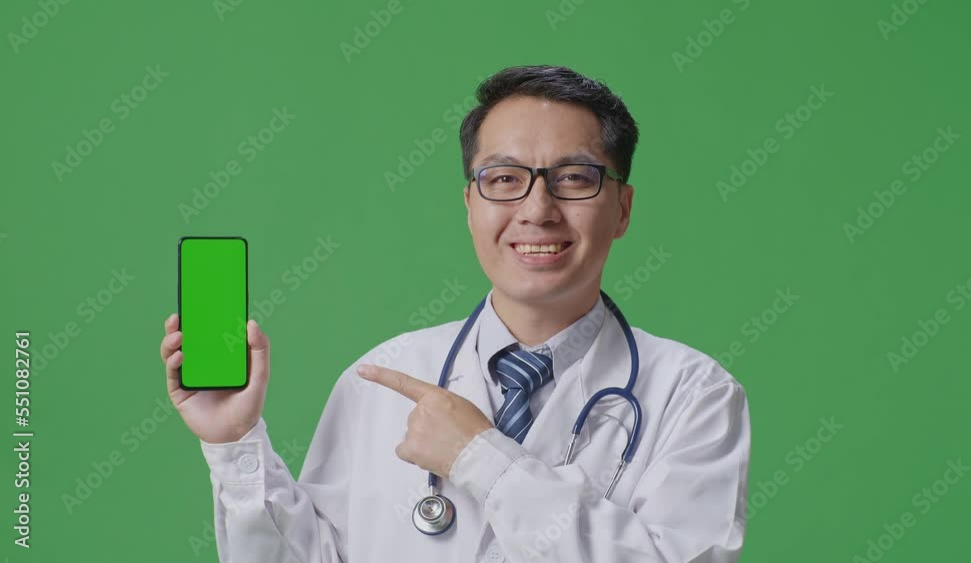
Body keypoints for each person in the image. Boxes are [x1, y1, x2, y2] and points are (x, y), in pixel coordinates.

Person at [159, 65, 750, 562]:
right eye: (504, 178)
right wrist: (235, 445)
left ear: (622, 209)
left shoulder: (694, 396)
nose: (537, 209)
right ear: (470, 204)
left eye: (574, 178)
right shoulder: (381, 378)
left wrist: (481, 459)